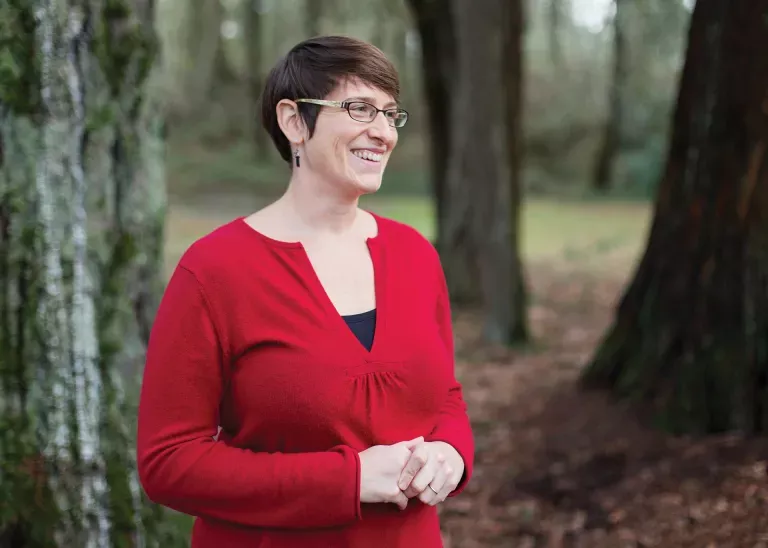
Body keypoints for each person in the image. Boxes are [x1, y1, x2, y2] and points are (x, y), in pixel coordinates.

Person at [136, 35, 474, 547]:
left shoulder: (415, 256)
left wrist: (451, 452)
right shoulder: (213, 272)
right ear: (294, 121)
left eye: (391, 114)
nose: (382, 132)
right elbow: (168, 460)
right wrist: (350, 479)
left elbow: (445, 395)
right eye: (360, 108)